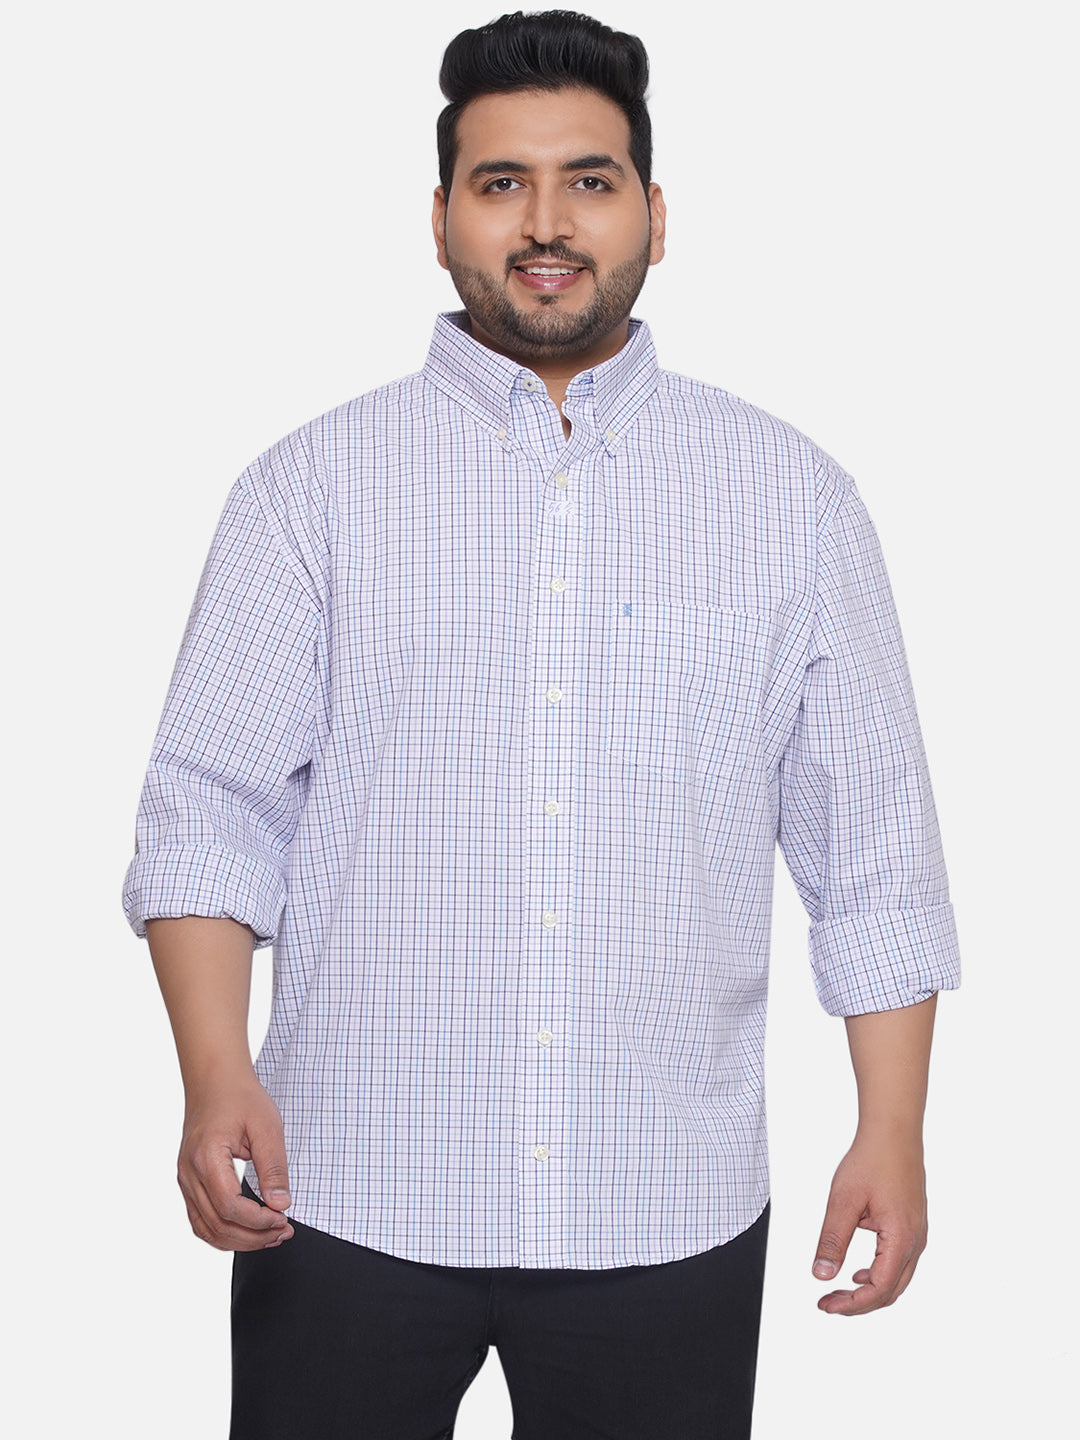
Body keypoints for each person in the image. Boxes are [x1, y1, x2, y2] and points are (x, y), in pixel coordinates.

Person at [123, 10, 961, 1438]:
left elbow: (872, 847)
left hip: (670, 1199)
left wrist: (892, 1129)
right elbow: (211, 812)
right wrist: (214, 1079)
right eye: (502, 182)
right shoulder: (309, 491)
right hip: (347, 1188)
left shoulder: (792, 500)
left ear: (655, 215)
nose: (547, 222)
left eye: (590, 180)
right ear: (440, 217)